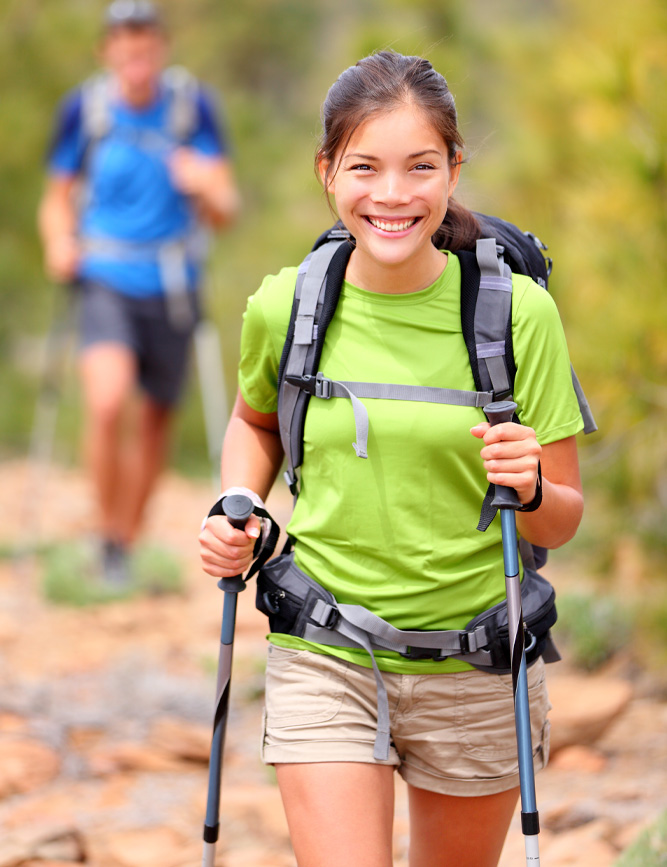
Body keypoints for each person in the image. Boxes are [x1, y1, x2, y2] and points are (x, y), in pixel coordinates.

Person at [199, 51, 584, 867]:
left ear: (451, 171)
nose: (391, 194)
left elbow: (564, 515)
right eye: (364, 166)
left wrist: (530, 481)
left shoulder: (518, 316)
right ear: (326, 172)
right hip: (324, 645)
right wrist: (239, 500)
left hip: (477, 658)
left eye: (419, 166)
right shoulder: (288, 303)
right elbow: (254, 419)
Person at [38, 0, 239, 582]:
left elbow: (225, 206)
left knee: (155, 418)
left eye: (145, 39)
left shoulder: (192, 107)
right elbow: (57, 196)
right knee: (106, 401)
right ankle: (106, 537)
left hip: (172, 283)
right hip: (104, 274)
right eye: (124, 40)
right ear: (108, 51)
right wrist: (58, 241)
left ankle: (125, 542)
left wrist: (205, 184)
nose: (135, 51)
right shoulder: (85, 109)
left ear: (161, 47)